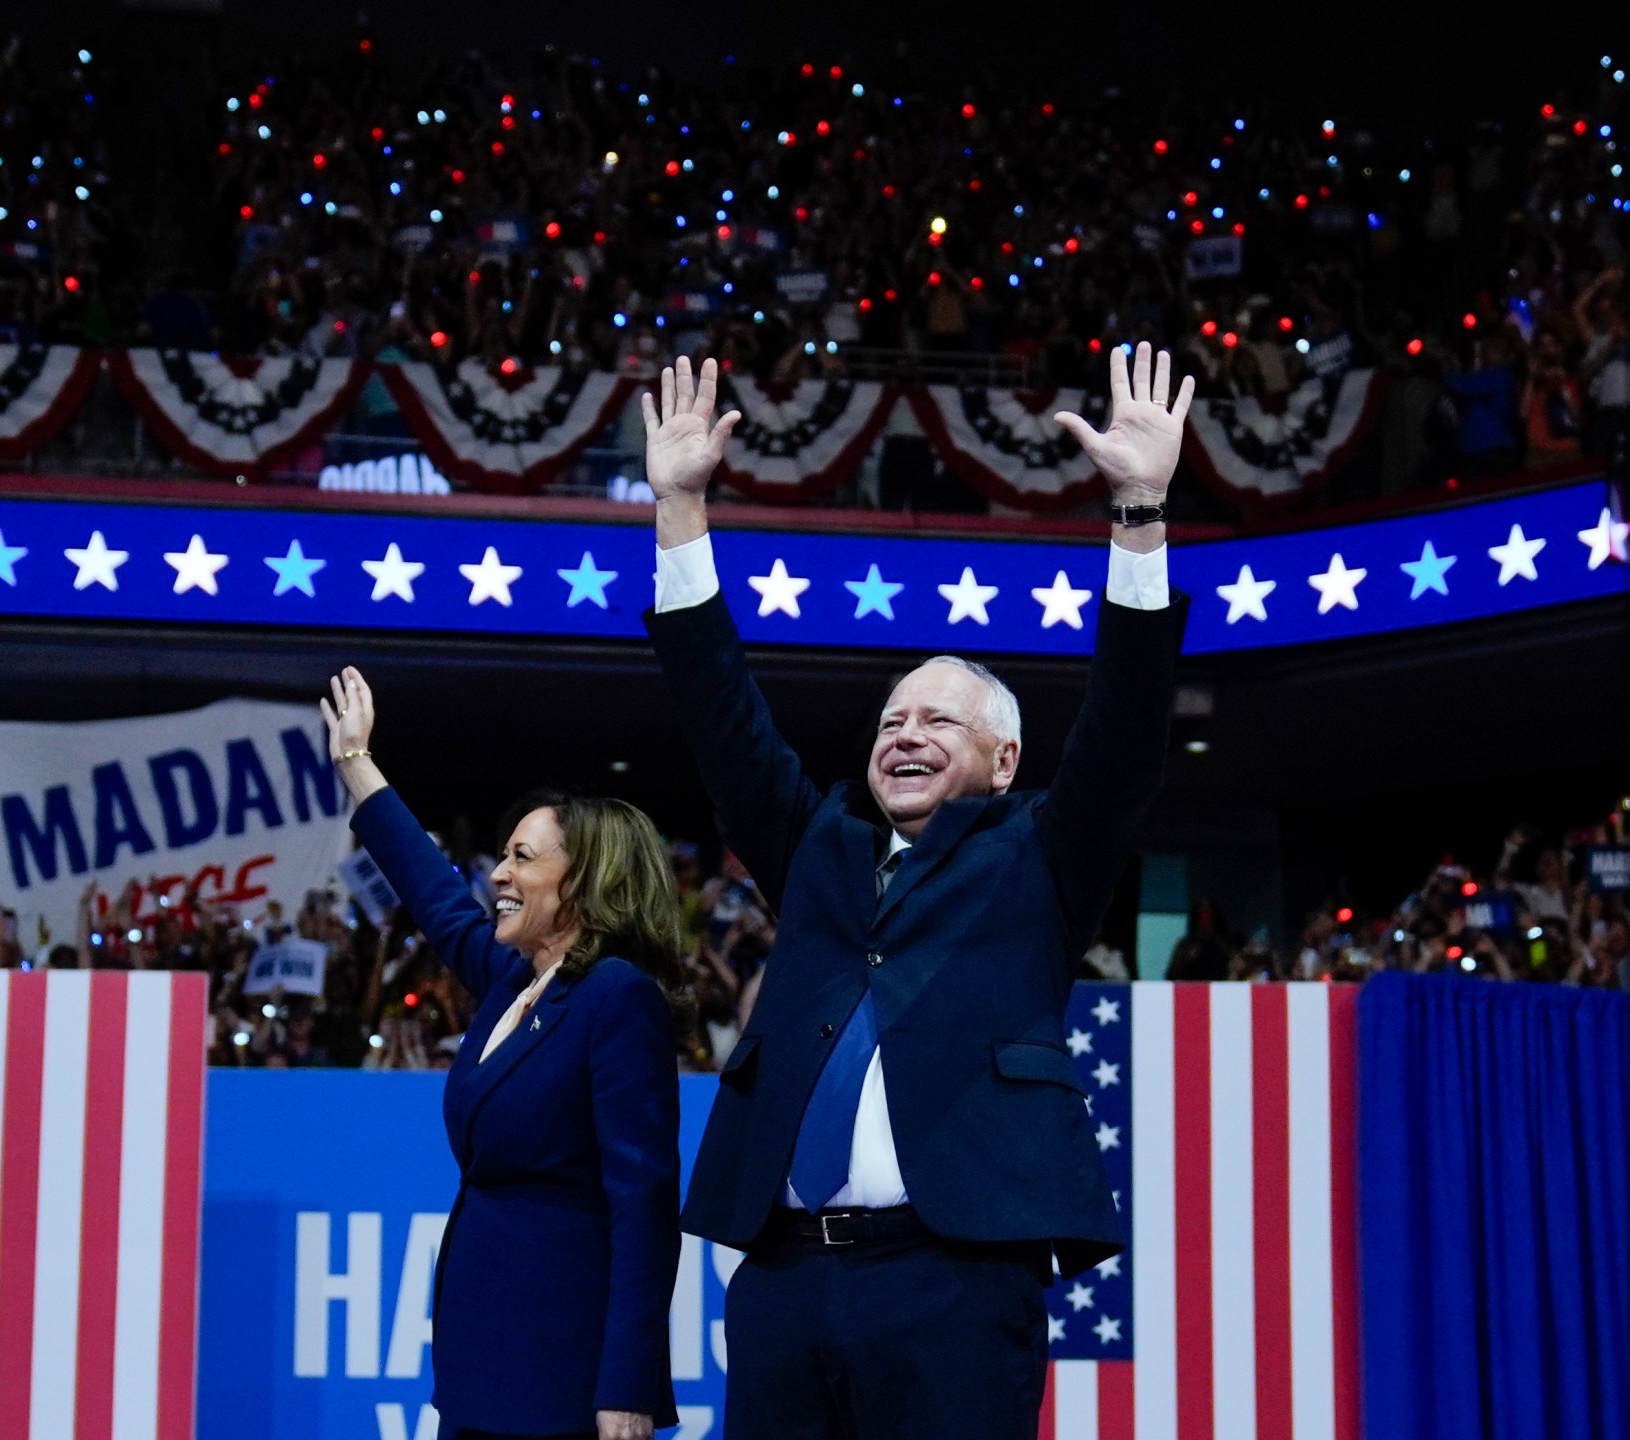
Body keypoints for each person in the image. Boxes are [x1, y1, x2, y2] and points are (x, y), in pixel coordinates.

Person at [639, 347, 1193, 1439]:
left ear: (1001, 761)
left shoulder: (1041, 854)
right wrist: (679, 511)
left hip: (955, 1282)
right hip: (785, 1281)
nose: (905, 733)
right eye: (894, 719)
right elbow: (721, 719)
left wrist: (1137, 511)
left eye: (939, 721)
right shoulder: (820, 847)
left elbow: (1124, 733)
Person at [318, 668, 683, 1440]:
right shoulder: (513, 980)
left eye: (522, 858)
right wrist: (358, 766)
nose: (499, 875)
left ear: (581, 882)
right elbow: (437, 899)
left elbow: (643, 1204)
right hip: (481, 1357)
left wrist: (627, 1383)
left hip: (563, 1373)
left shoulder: (615, 997)